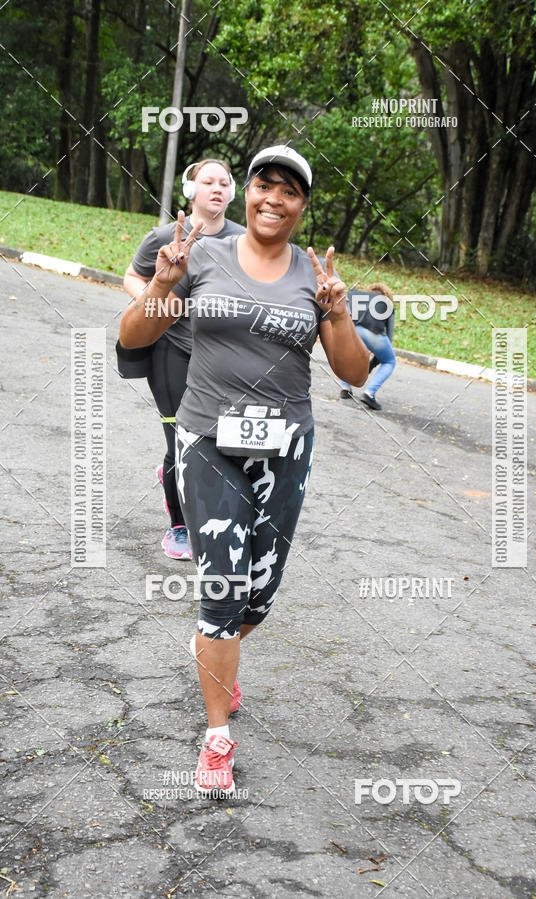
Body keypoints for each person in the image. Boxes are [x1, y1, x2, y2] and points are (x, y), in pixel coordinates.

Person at [119, 145, 369, 796]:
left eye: (289, 190)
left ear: (301, 207)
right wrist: (162, 286)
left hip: (286, 449)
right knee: (223, 591)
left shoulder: (311, 277)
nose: (272, 198)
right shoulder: (201, 255)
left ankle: (216, 642)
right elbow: (133, 335)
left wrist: (338, 312)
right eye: (264, 184)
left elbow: (355, 372)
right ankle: (216, 739)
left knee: (259, 596)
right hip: (208, 441)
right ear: (248, 192)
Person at [121, 159, 245, 560]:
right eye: (207, 182)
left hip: (220, 358)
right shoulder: (163, 236)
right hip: (171, 350)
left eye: (224, 183)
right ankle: (179, 525)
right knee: (180, 442)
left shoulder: (243, 241)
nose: (217, 189)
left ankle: (216, 513)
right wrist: (154, 304)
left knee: (221, 441)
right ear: (190, 191)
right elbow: (131, 276)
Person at [339, 281, 396, 410]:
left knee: (350, 356)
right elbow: (389, 335)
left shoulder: (360, 300)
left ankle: (345, 388)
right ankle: (369, 393)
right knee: (389, 361)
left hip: (355, 330)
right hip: (375, 334)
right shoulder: (387, 304)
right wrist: (373, 364)